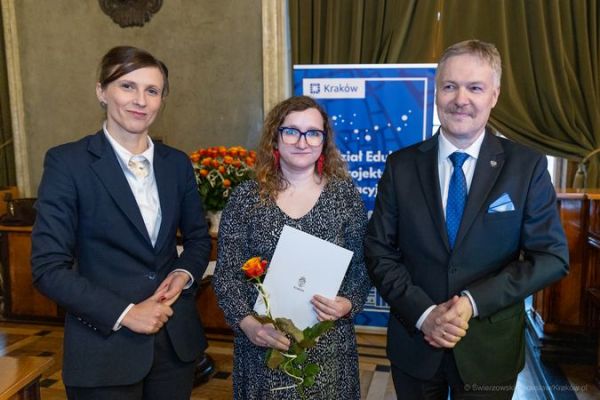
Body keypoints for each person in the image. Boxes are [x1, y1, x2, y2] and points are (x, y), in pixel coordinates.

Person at [365, 39, 569, 399]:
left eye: (475, 87)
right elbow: (378, 250)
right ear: (436, 92)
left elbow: (551, 257)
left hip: (489, 349)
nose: (461, 99)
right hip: (416, 343)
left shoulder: (527, 167)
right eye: (450, 86)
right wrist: (425, 313)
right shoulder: (401, 166)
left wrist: (472, 302)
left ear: (494, 95)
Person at [31, 46, 211, 400]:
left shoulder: (176, 164)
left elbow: (198, 239)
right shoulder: (68, 163)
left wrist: (183, 273)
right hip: (103, 350)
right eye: (127, 86)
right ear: (102, 91)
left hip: (174, 346)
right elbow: (47, 268)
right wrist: (126, 313)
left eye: (152, 90)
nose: (140, 100)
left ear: (161, 100)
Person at [212, 95, 371, 399]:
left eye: (313, 133)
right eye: (291, 131)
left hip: (328, 345)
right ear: (275, 137)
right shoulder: (246, 198)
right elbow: (227, 274)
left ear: (324, 140)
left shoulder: (345, 196)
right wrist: (248, 325)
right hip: (263, 344)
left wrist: (348, 303)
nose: (302, 142)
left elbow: (363, 266)